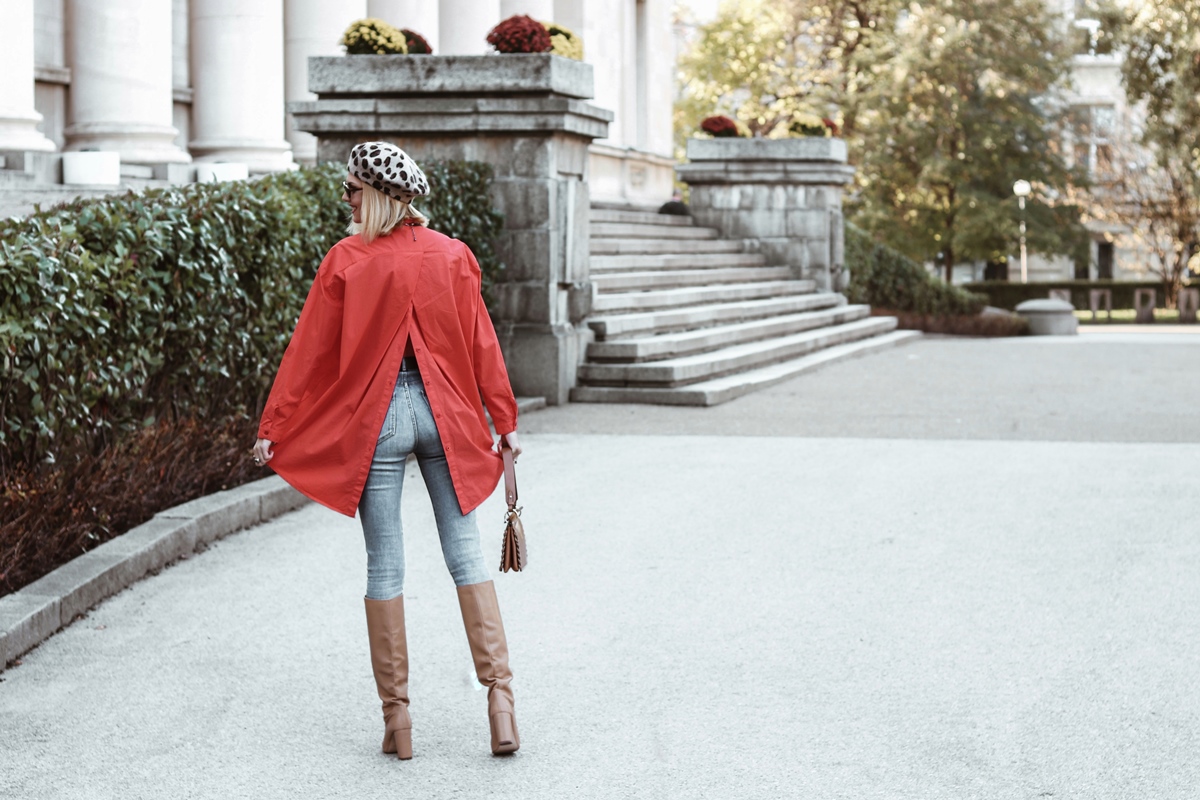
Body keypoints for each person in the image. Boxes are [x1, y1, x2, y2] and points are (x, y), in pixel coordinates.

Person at [251, 141, 522, 759]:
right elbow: (484, 346)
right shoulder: (453, 255)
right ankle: (501, 703)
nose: (344, 199)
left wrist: (276, 423)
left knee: (385, 566)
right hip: (446, 416)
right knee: (466, 557)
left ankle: (398, 723)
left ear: (376, 195)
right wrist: (503, 421)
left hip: (379, 420)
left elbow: (310, 352)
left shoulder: (347, 259)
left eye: (350, 189)